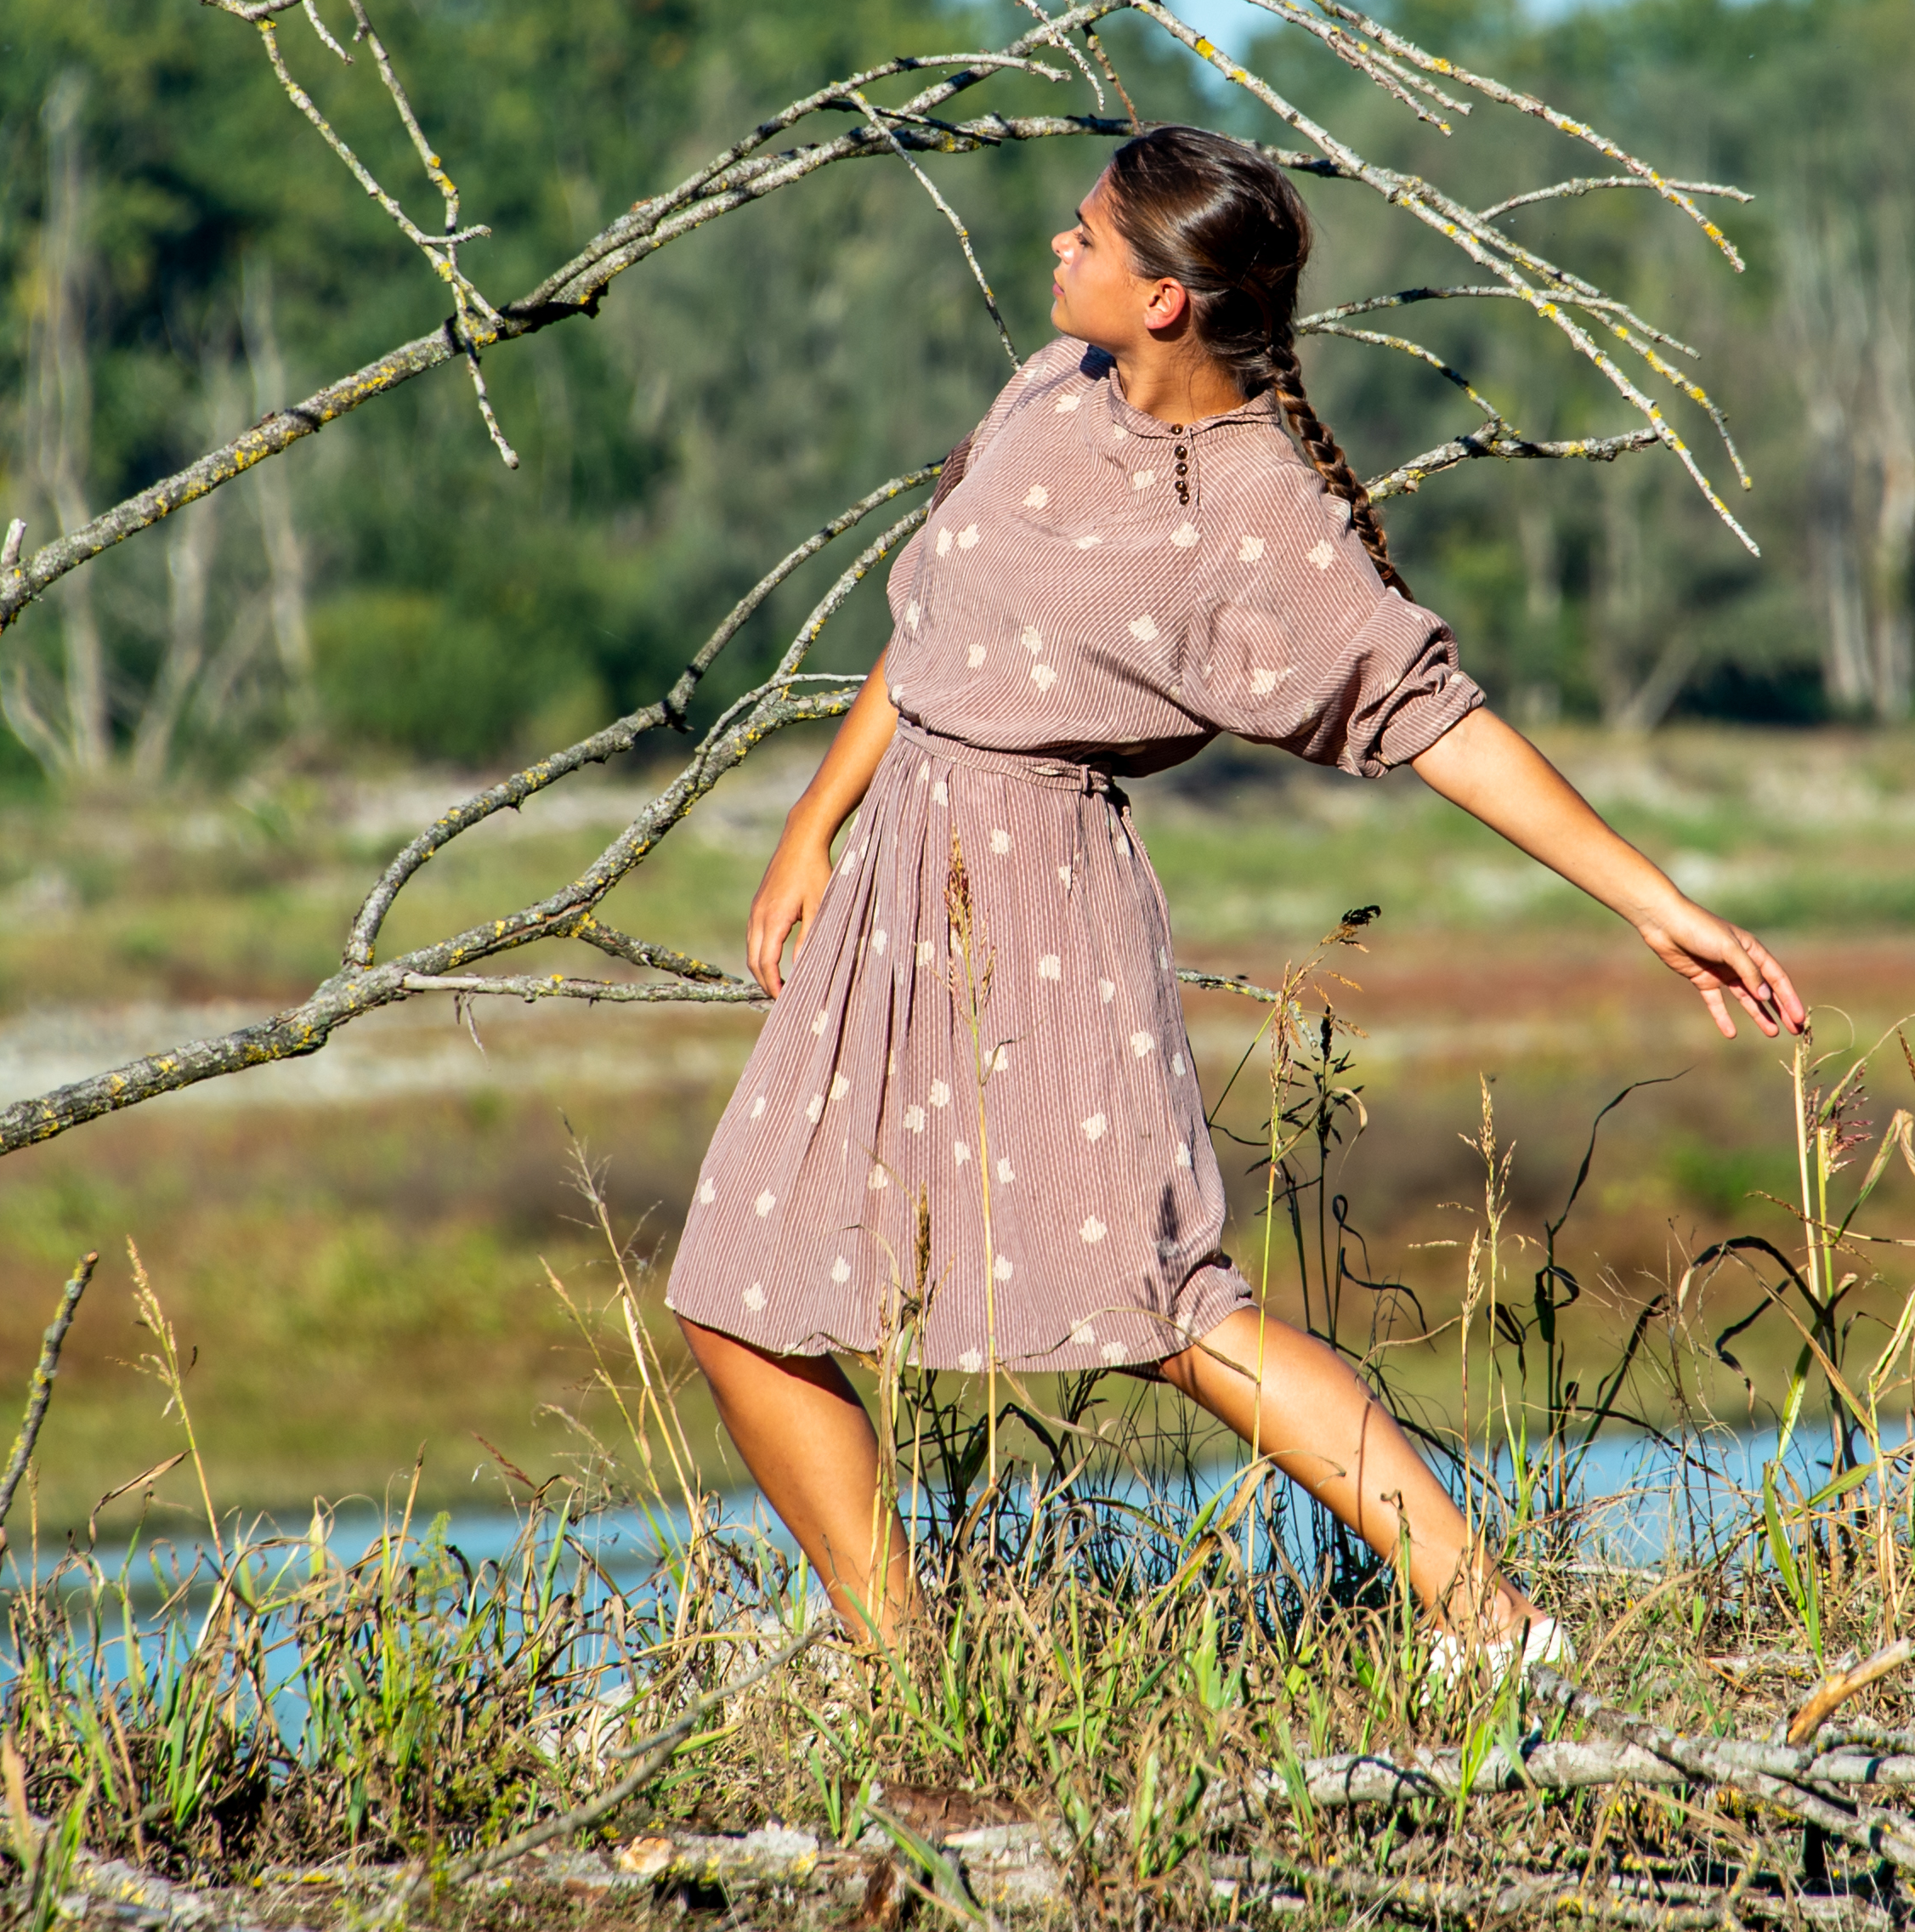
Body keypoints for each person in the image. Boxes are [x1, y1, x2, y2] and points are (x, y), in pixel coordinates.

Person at [666, 123, 1804, 1662]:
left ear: (1164, 301)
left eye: (1085, 237)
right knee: (738, 1284)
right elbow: (944, 622)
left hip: (1043, 912)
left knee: (1163, 1306)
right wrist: (814, 823)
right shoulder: (1043, 393)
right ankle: (905, 1679)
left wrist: (1655, 902)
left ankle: (1495, 1628)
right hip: (889, 895)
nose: (1055, 248)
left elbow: (1441, 724)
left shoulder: (1257, 509)